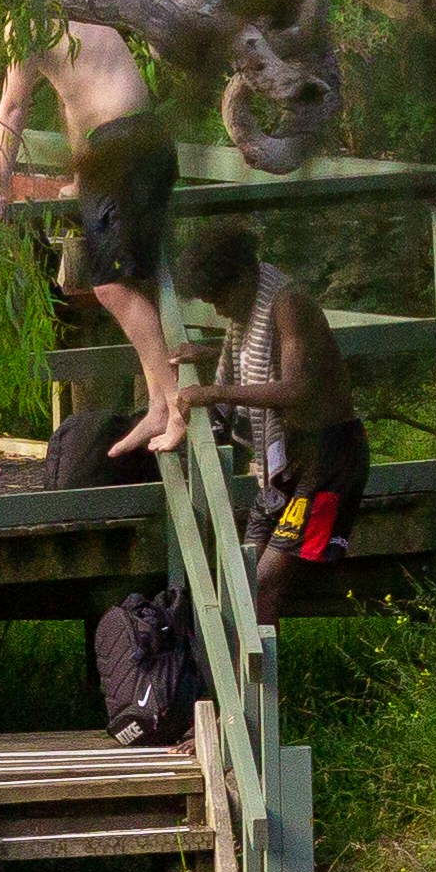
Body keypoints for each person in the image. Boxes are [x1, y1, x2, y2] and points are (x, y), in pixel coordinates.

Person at [0, 20, 188, 458]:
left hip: (121, 150)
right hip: (151, 142)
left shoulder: (25, 22)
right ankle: (156, 405)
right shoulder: (92, 21)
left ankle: (176, 407)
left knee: (111, 286)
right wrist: (80, 178)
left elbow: (13, 107)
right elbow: (79, 103)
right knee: (136, 282)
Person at [174, 216, 369, 626]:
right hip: (291, 457)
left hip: (329, 459)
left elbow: (296, 388)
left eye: (220, 297)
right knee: (245, 573)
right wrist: (212, 354)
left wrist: (214, 393)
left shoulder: (289, 304)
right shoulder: (252, 310)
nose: (218, 308)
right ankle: (245, 673)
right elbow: (261, 361)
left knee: (263, 582)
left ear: (246, 276)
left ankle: (263, 686)